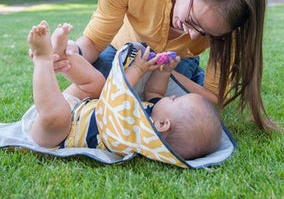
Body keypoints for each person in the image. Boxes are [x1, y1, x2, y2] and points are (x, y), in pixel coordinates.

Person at [54, 0, 277, 131]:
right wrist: (70, 52)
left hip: (174, 62)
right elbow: (93, 42)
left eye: (208, 34)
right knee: (100, 86)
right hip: (124, 51)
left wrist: (166, 74)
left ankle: (186, 76)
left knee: (188, 115)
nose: (192, 35)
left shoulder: (235, 19)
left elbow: (213, 98)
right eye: (192, 19)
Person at [28, 20, 222, 159]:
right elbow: (154, 93)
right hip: (80, 107)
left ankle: (43, 60)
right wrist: (165, 72)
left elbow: (118, 96)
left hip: (59, 134)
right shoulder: (155, 113)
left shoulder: (139, 136)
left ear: (163, 124)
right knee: (97, 83)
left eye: (175, 100)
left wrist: (137, 69)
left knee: (58, 116)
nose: (172, 95)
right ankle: (62, 56)